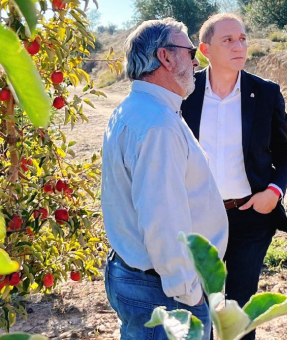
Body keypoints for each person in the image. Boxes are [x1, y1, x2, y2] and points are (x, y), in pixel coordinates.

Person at [101, 18, 229, 339]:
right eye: (190, 52)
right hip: (164, 290)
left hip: (142, 279)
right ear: (166, 57)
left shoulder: (138, 109)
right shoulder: (157, 122)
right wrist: (188, 291)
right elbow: (163, 218)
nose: (196, 62)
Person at [180, 13, 287, 340]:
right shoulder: (185, 92)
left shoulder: (266, 93)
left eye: (242, 38)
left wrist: (274, 191)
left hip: (250, 218)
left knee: (240, 308)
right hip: (198, 218)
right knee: (199, 305)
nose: (238, 46)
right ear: (205, 50)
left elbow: (284, 152)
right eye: (228, 40)